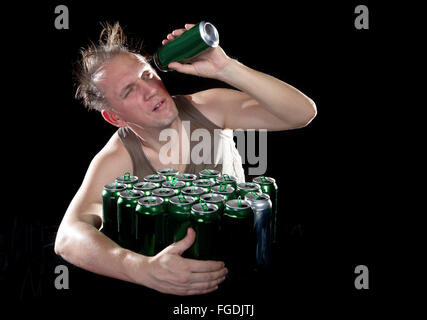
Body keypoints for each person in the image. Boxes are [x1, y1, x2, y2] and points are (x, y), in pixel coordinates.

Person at [54, 22, 316, 296]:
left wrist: (226, 68)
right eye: (129, 91)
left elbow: (301, 113)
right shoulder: (117, 156)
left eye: (147, 74)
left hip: (244, 270)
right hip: (173, 289)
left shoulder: (209, 108)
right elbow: (69, 237)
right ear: (115, 117)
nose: (150, 90)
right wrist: (139, 268)